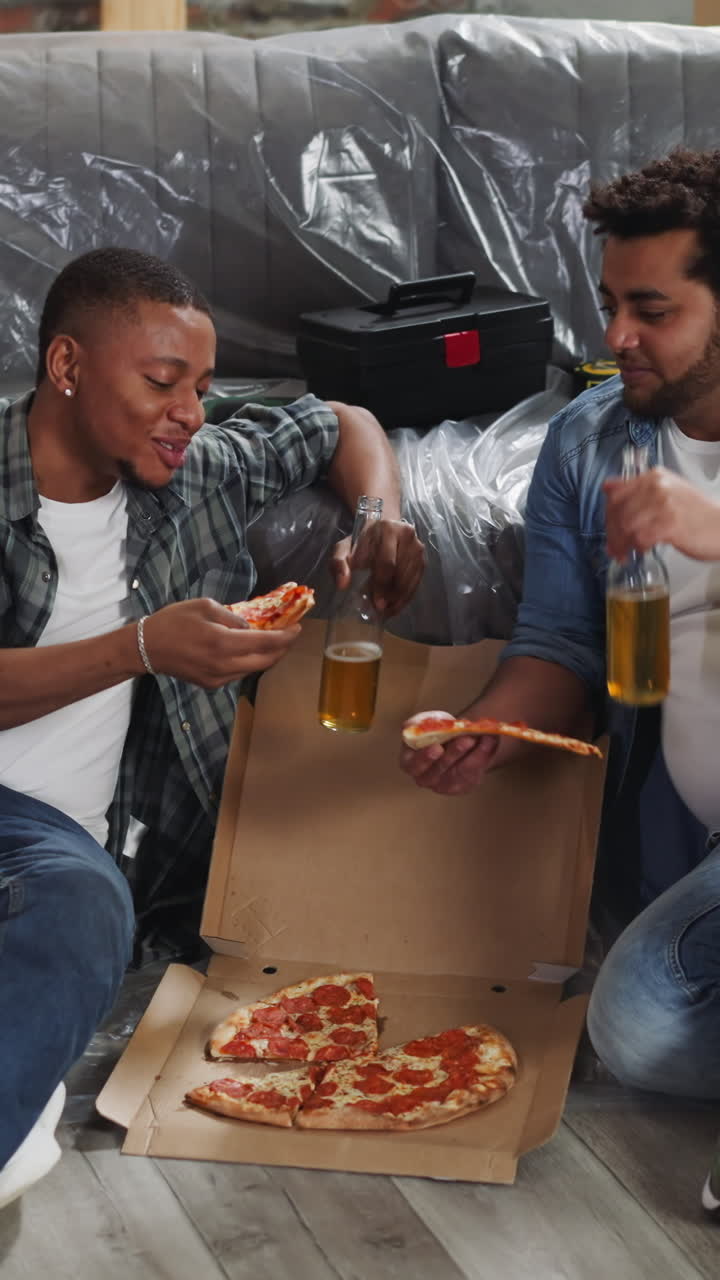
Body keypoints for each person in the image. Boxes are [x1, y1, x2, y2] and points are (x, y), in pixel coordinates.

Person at [0, 246, 424, 1209]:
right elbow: (133, 652)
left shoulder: (193, 473)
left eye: (202, 384)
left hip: (57, 855)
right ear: (67, 369)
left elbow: (341, 421)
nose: (191, 410)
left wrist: (377, 515)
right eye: (161, 382)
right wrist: (141, 646)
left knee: (84, 906)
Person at [400, 147, 720, 1212]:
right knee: (632, 1027)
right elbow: (561, 647)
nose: (614, 336)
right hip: (700, 847)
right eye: (609, 303)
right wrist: (489, 723)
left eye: (652, 310)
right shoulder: (590, 443)